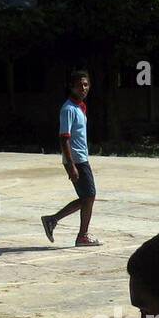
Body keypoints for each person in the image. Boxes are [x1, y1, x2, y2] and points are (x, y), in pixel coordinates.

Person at [42, 69, 100, 247]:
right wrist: (71, 165)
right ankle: (82, 235)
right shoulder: (68, 109)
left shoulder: (80, 107)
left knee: (87, 197)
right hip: (76, 160)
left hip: (82, 158)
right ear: (71, 87)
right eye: (79, 85)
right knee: (89, 196)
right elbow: (63, 137)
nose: (83, 88)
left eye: (86, 84)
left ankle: (52, 220)